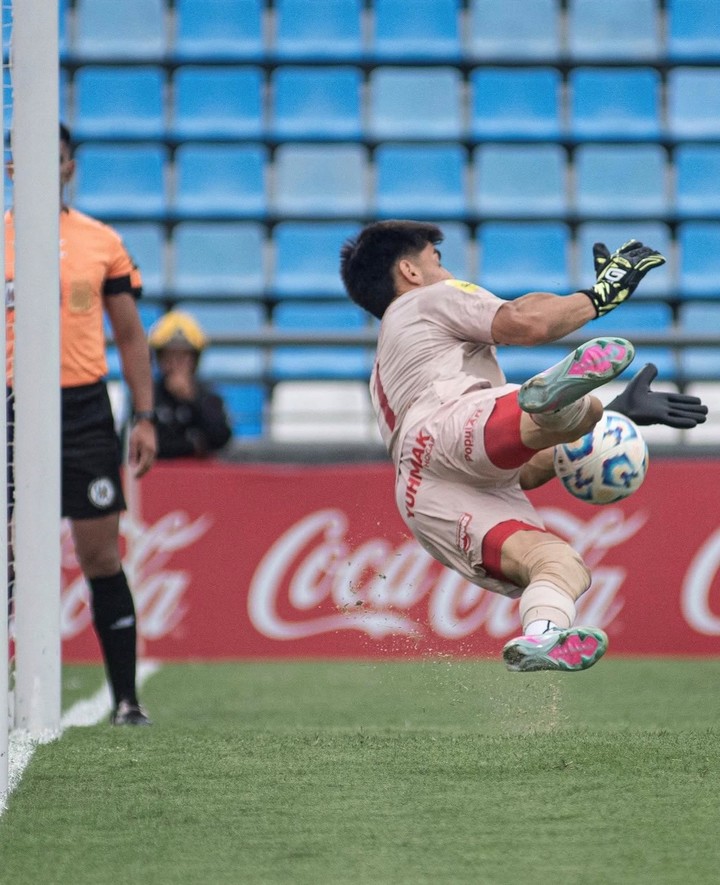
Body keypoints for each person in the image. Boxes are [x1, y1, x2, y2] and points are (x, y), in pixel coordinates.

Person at [340, 220, 707, 673]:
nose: (447, 270)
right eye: (437, 259)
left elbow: (517, 468)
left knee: (557, 561)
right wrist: (600, 296)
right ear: (410, 271)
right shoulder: (428, 299)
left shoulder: (390, 362)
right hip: (448, 427)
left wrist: (617, 416)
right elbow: (526, 321)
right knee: (564, 411)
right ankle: (560, 404)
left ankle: (543, 635)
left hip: (425, 493)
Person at [5, 123, 157, 724]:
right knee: (7, 556)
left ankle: (126, 700)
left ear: (69, 167)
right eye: (28, 157)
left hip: (84, 410)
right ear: (12, 167)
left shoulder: (100, 241)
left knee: (99, 555)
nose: (43, 166)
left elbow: (130, 336)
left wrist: (144, 415)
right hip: (11, 407)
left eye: (56, 157)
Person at [147, 310, 232, 459]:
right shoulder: (147, 396)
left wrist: (192, 400)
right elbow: (149, 443)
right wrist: (192, 444)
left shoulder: (208, 395)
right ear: (160, 359)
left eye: (184, 356)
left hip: (201, 473)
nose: (176, 363)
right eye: (170, 356)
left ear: (195, 359)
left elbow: (221, 439)